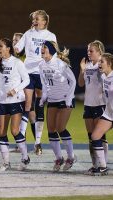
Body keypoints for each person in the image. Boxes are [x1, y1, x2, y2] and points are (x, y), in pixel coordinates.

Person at [0, 38, 30, 171]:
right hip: (2, 101)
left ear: (8, 48)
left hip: (16, 100)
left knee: (15, 131)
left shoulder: (17, 63)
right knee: (2, 132)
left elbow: (26, 80)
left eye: (1, 46)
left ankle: (25, 157)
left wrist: (15, 89)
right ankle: (6, 163)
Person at [14, 10, 57, 155]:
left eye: (37, 19)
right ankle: (21, 137)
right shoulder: (28, 33)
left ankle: (38, 142)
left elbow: (54, 55)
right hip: (28, 72)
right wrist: (16, 48)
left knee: (39, 106)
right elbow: (18, 49)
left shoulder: (51, 36)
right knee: (27, 104)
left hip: (43, 73)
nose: (34, 21)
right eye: (33, 19)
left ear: (44, 21)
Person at [39, 41, 77, 171]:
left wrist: (69, 98)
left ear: (50, 49)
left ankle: (71, 157)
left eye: (44, 47)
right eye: (41, 47)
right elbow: (44, 83)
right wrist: (44, 96)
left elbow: (73, 81)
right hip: (52, 99)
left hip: (65, 99)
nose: (42, 49)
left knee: (61, 128)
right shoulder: (41, 65)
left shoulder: (60, 64)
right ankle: (59, 158)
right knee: (51, 130)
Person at [78, 40, 109, 173]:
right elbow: (80, 83)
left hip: (100, 104)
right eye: (88, 51)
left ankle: (103, 164)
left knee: (100, 137)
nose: (88, 53)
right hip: (88, 105)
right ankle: (95, 165)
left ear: (99, 52)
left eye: (91, 51)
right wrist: (82, 70)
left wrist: (103, 70)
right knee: (91, 137)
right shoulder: (88, 65)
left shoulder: (102, 66)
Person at [11, 33, 36, 152]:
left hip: (27, 90)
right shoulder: (11, 57)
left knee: (31, 116)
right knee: (20, 117)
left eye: (17, 40)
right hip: (17, 92)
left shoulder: (27, 57)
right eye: (13, 40)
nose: (15, 42)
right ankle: (21, 145)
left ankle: (38, 143)